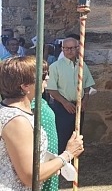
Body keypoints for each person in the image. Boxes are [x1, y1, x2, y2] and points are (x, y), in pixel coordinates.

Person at [0, 56, 84, 190]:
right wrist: (68, 154)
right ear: (25, 85)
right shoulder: (17, 121)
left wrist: (51, 165)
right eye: (42, 75)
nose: (47, 78)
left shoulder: (12, 111)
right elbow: (29, 176)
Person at [47, 37, 95, 154]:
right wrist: (65, 103)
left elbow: (87, 85)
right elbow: (52, 89)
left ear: (77, 49)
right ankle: (61, 164)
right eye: (67, 48)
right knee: (62, 136)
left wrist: (85, 100)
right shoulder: (55, 67)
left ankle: (73, 163)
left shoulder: (82, 65)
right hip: (62, 107)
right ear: (62, 49)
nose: (70, 51)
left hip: (78, 106)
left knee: (76, 136)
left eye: (73, 48)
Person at [30, 61, 59, 191]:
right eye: (43, 74)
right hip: (39, 166)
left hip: (49, 162)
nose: (47, 77)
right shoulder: (30, 106)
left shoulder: (39, 100)